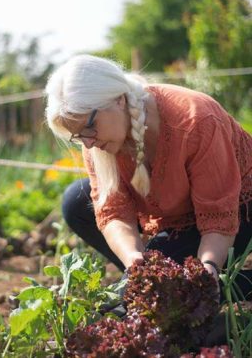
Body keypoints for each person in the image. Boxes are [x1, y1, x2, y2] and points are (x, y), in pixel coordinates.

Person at [45, 54, 252, 300]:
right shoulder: (95, 138)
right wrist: (134, 260)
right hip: (174, 216)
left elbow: (218, 214)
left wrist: (207, 268)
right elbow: (113, 212)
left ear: (118, 100)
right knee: (76, 203)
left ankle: (236, 285)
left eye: (88, 128)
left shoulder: (196, 120)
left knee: (176, 293)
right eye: (77, 136)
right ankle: (163, 284)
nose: (87, 143)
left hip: (236, 209)